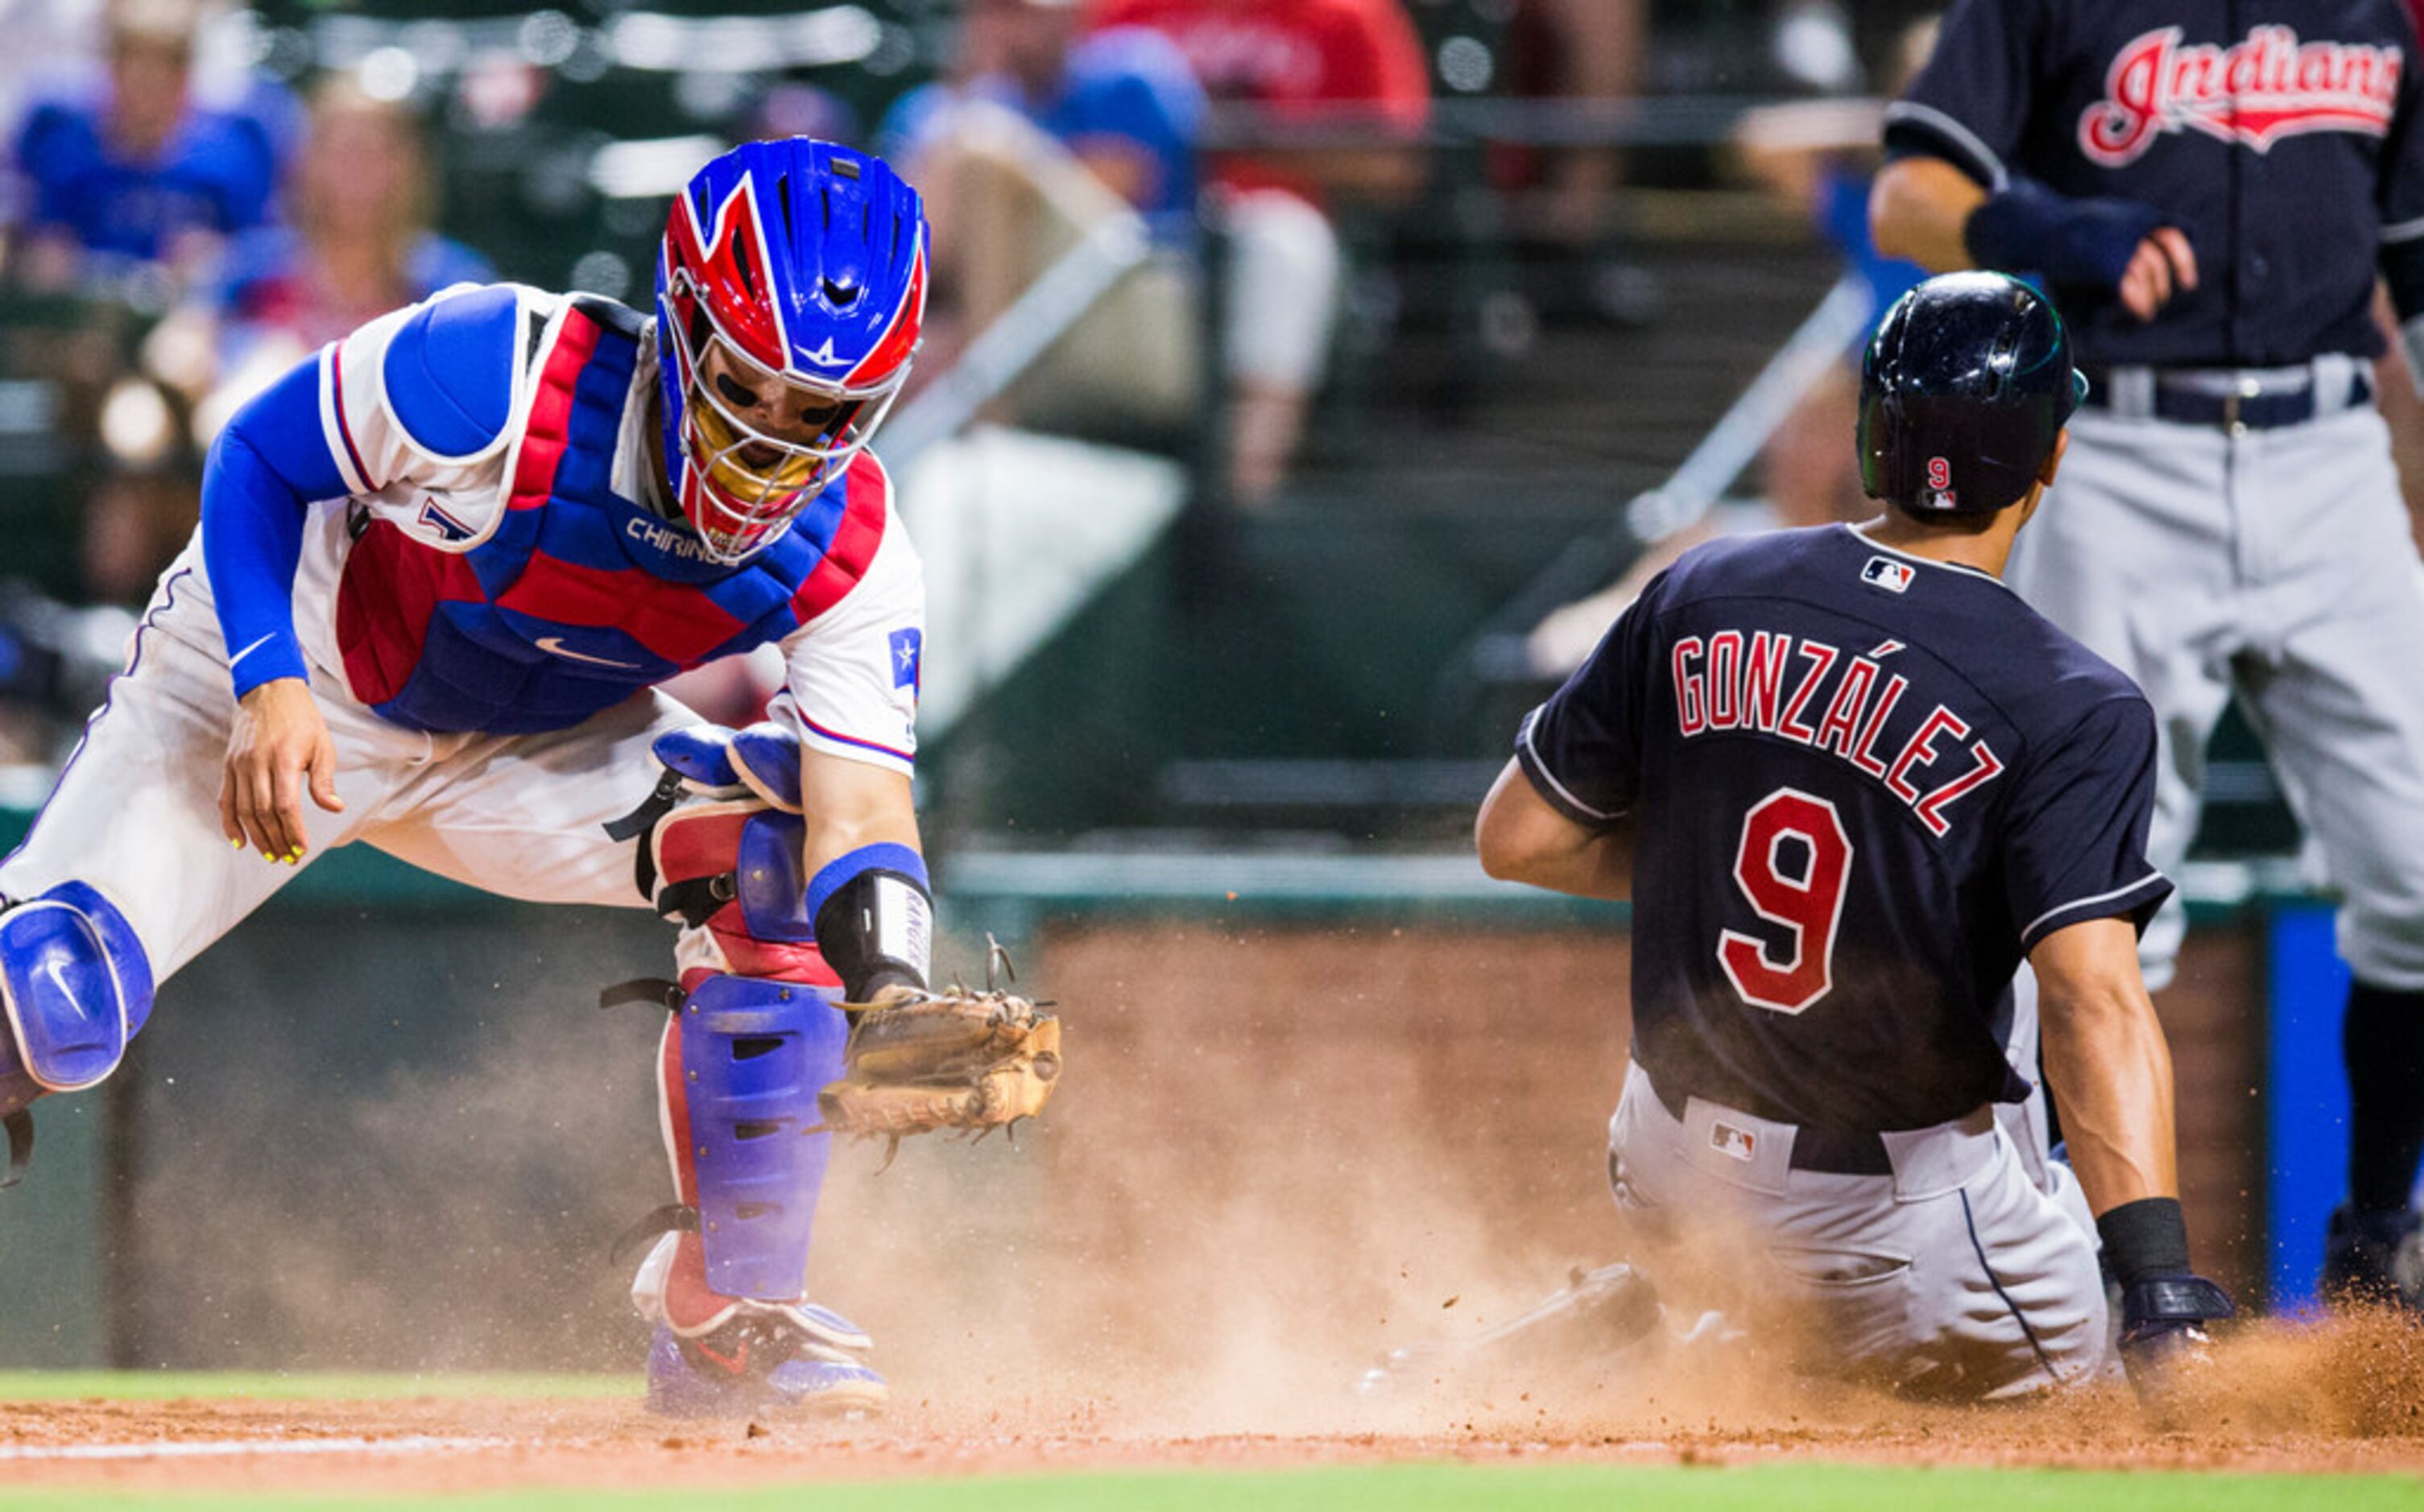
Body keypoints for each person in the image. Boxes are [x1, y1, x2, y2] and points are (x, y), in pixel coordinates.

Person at [0, 138, 941, 1416]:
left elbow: (863, 810)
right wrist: (268, 675)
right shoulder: (496, 366)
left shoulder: (859, 547)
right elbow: (259, 460)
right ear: (675, 328)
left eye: (818, 413)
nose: (772, 442)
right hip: (299, 674)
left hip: (528, 746)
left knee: (771, 862)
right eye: (745, 385)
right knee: (48, 996)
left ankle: (727, 1319)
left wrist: (894, 987)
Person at [1475, 274, 2232, 1399]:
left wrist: (1701, 857)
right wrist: (2160, 1289)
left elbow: (1516, 838)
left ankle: (1682, 1317)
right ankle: (1694, 1336)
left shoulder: (1703, 587)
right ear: (2050, 460)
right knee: (2104, 1393)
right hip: (1885, 1220)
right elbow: (2095, 1002)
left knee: (2004, 1033)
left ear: (1873, 435)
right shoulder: (2072, 698)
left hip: (1666, 1164)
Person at [1869, 1, 2424, 1308]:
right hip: (2117, 451)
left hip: (2334, 450)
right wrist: (2049, 231)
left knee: (2419, 867)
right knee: (2087, 903)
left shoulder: (2375, 12)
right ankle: (2080, 1267)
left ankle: (2385, 1235)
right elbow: (1908, 196)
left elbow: (2415, 255)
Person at [1092, 0, 1432, 506]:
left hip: (1268, 234)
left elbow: (1394, 166)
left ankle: (1235, 513)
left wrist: (1247, 139)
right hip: (1141, 238)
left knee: (1285, 245)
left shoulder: (1348, 16)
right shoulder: (1127, 12)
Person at [880, 0, 1205, 441]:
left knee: (981, 154)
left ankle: (987, 420)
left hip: (1118, 304)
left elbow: (1123, 188)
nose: (1002, 26)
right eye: (990, 11)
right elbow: (896, 218)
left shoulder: (1127, 76)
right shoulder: (934, 108)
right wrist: (969, 96)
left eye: (1020, 12)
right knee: (895, 369)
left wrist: (985, 133)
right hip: (968, 309)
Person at [5, 0, 279, 295]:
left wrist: (220, 261)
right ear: (111, 71)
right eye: (135, 69)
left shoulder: (231, 155)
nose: (147, 88)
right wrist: (47, 255)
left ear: (185, 77)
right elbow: (33, 234)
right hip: (79, 309)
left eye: (162, 71)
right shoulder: (61, 144)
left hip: (193, 314)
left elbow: (264, 250)